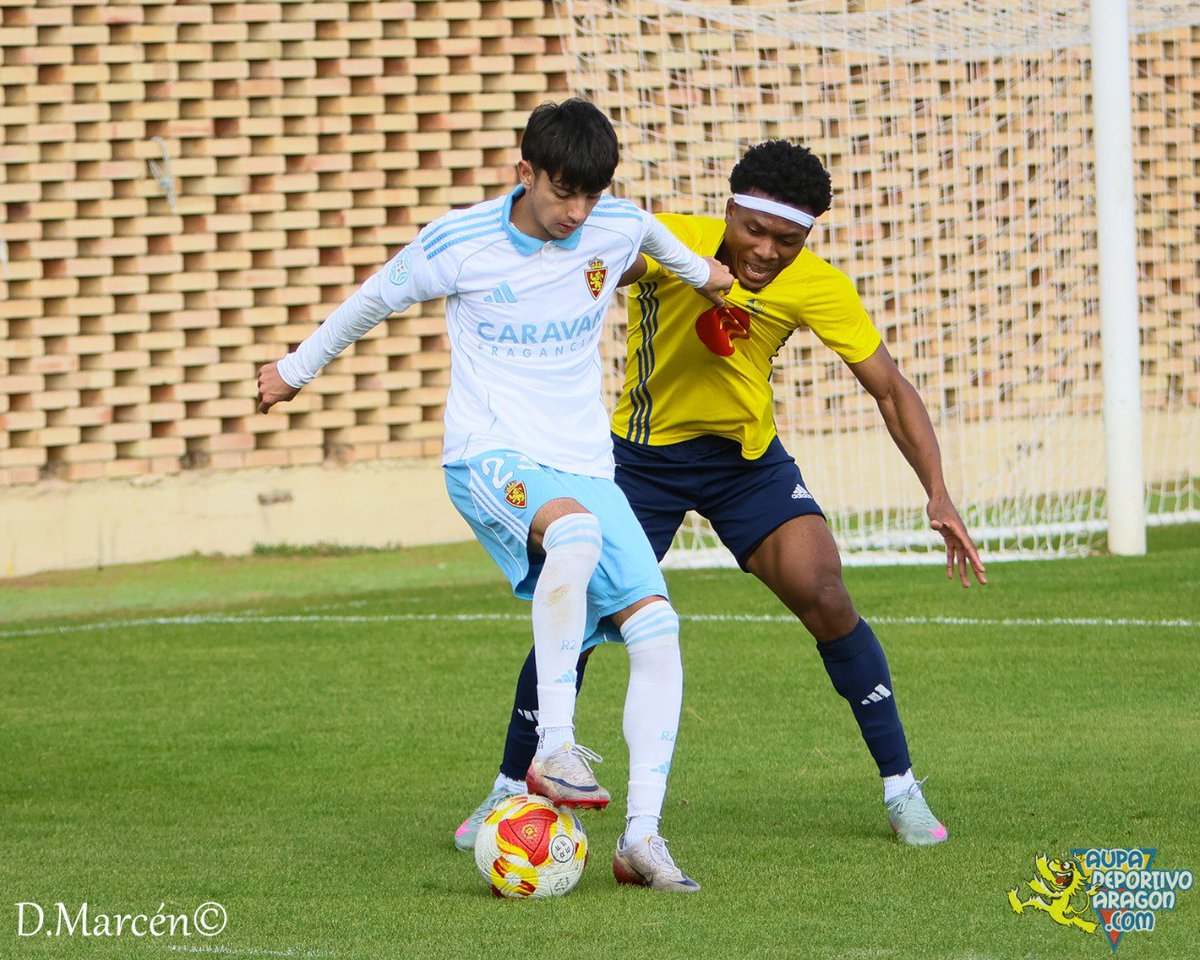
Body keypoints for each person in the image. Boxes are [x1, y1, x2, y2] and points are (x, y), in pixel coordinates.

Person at [454, 139, 987, 853]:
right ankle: (511, 786)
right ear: (729, 209)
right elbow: (587, 262)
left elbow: (890, 389)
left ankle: (902, 789)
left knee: (824, 591)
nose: (767, 252)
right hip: (639, 462)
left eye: (788, 241)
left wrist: (939, 494)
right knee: (575, 612)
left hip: (747, 465)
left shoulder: (819, 285)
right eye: (754, 231)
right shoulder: (671, 241)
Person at [257, 99, 735, 893]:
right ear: (525, 173)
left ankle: (641, 841)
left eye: (590, 196)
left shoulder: (615, 224)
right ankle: (552, 747)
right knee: (574, 539)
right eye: (561, 195)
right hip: (490, 453)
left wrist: (713, 279)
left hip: (584, 465)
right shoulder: (461, 242)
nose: (576, 214)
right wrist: (295, 371)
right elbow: (373, 298)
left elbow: (658, 241)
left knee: (656, 629)